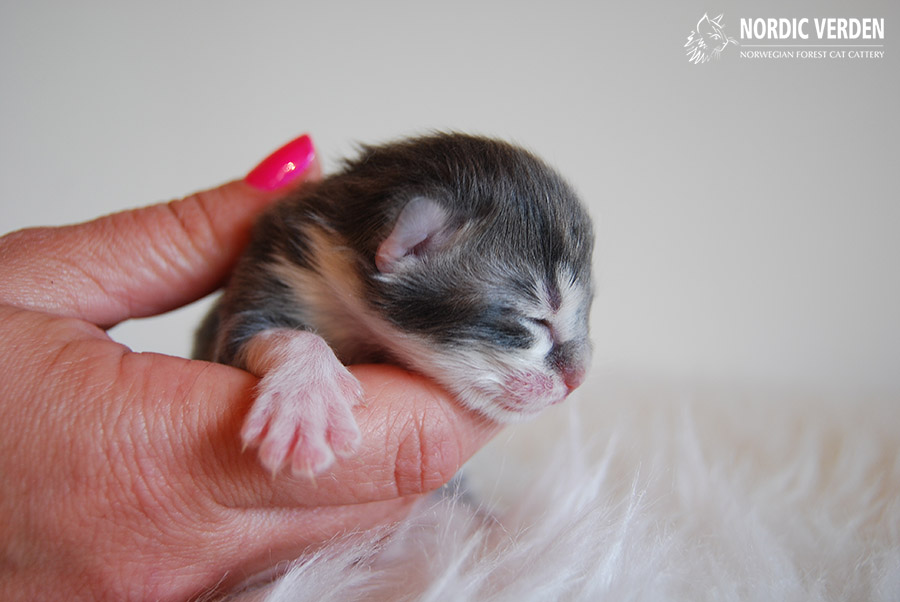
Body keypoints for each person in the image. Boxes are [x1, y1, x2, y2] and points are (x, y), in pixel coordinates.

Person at [0, 134, 497, 600]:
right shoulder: (291, 249)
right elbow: (238, 335)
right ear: (414, 243)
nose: (554, 374)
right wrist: (294, 355)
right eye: (524, 321)